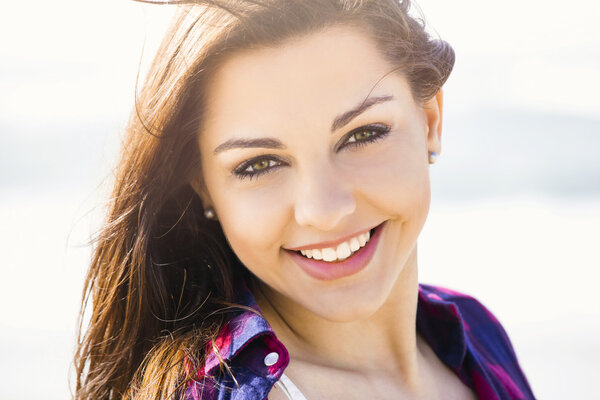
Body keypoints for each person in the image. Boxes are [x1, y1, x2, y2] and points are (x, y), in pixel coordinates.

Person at [73, 0, 535, 399]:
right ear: (204, 187)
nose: (324, 210)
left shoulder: (474, 331)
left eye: (362, 134)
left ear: (430, 121)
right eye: (259, 165)